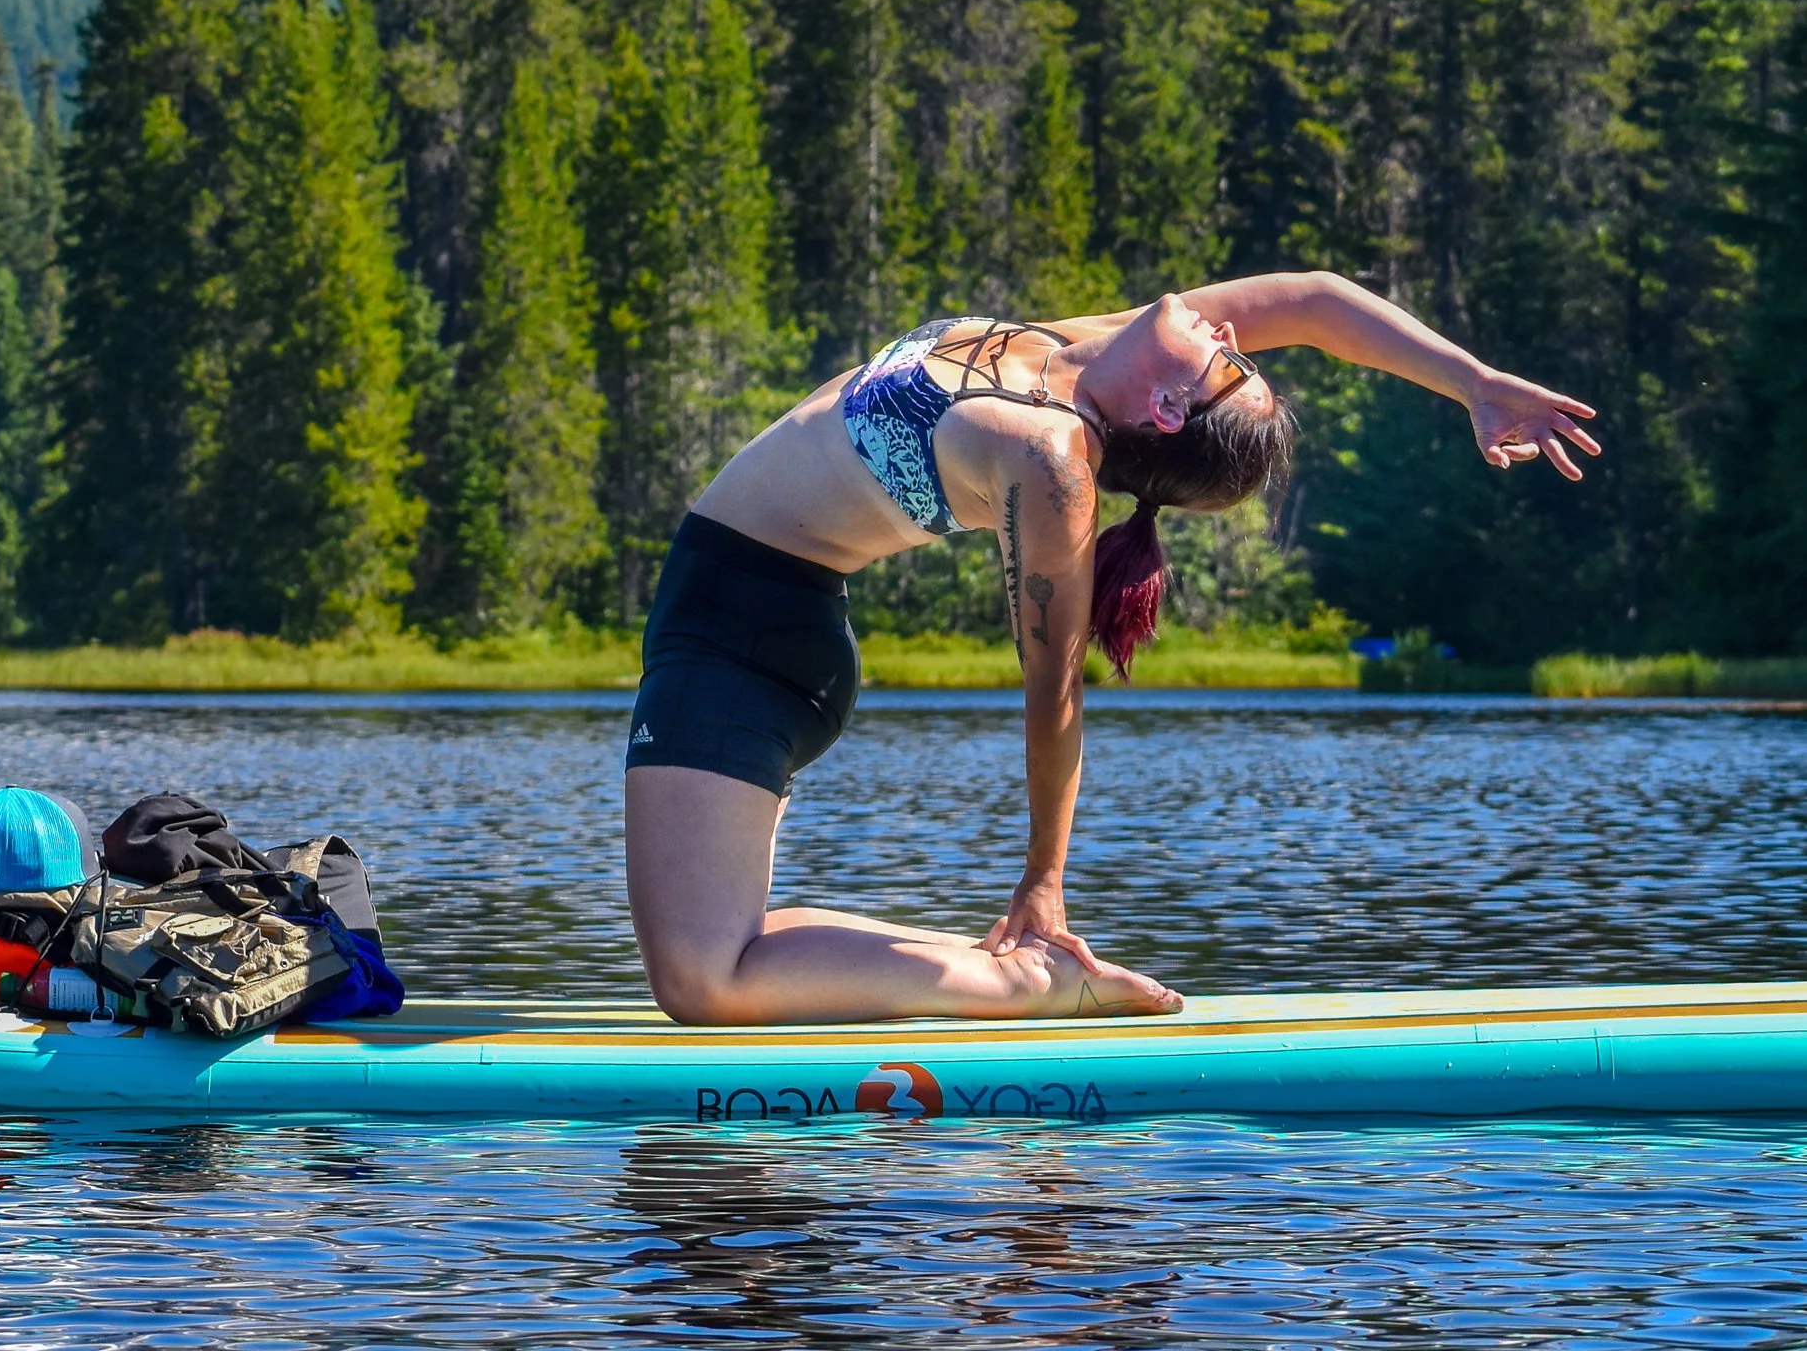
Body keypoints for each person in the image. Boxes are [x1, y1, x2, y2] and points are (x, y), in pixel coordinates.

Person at [624, 274, 1599, 1026]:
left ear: (1169, 410)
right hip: (748, 620)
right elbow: (1309, 302)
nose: (1226, 332)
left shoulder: (1051, 461)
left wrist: (1041, 881)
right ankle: (999, 972)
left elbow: (1053, 698)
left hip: (741, 643)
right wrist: (1472, 383)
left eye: (1228, 361)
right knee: (719, 953)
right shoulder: (1083, 352)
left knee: (703, 981)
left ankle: (1029, 979)